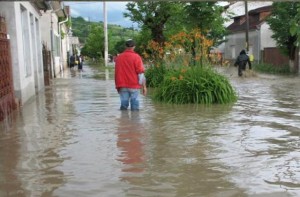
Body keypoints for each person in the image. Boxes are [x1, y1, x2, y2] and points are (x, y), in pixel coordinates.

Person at [115, 39, 147, 111]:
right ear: (134, 47)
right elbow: (141, 73)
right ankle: (134, 121)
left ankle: (123, 120)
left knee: (123, 106)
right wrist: (144, 87)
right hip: (134, 85)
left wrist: (117, 85)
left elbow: (117, 72)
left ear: (125, 46)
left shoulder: (119, 57)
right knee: (135, 108)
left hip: (121, 85)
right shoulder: (136, 57)